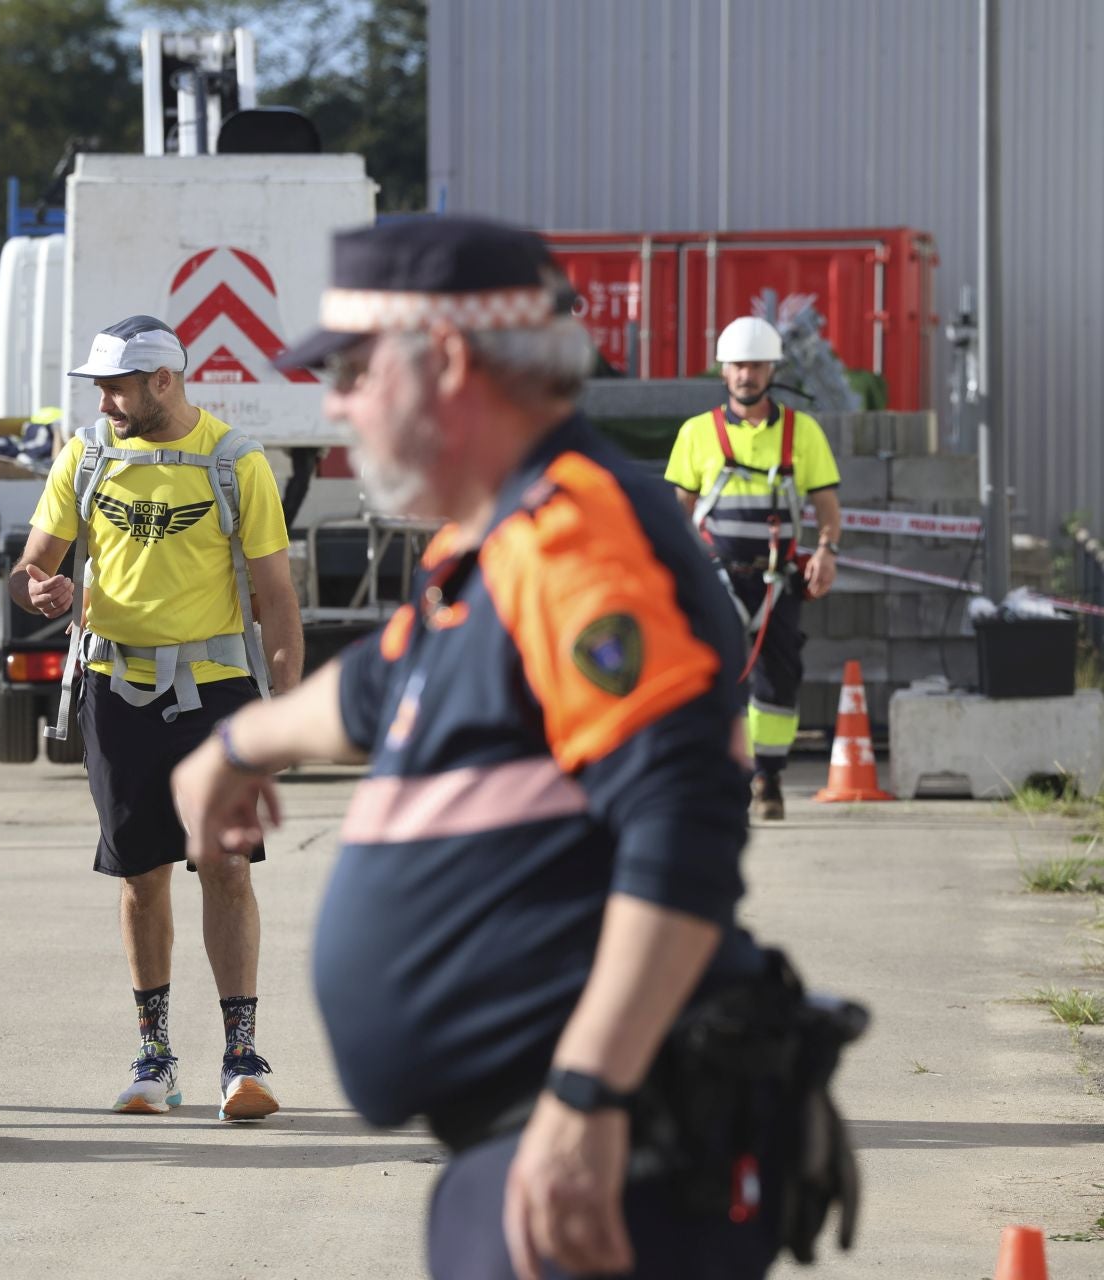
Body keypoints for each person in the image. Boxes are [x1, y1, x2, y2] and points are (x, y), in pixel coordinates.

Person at [171, 219, 786, 1277]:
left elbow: (683, 824)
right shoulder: (493, 543)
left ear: (447, 362)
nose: (337, 403)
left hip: (600, 1145)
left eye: (356, 370)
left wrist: (588, 1098)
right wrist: (239, 741)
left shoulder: (579, 537)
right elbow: (380, 684)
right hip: (525, 1141)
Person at [11, 315, 303, 1121]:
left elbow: (276, 597)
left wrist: (283, 705)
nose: (104, 401)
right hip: (115, 688)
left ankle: (241, 1056)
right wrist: (38, 587)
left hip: (214, 694)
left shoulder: (235, 462)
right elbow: (30, 566)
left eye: (116, 386)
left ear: (163, 382)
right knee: (141, 876)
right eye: (100, 387)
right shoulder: (88, 455)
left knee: (227, 866)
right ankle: (155, 1056)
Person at [666, 317, 843, 820]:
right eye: (738, 366)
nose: (747, 375)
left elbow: (827, 507)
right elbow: (678, 510)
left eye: (757, 365)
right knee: (705, 674)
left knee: (777, 678)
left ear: (772, 370)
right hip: (714, 578)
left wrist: (827, 552)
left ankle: (768, 777)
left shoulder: (801, 433)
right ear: (724, 372)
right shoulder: (697, 434)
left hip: (775, 580)